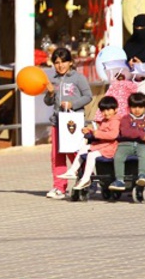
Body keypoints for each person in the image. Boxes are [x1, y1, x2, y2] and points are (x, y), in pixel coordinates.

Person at [43, 47, 92, 199]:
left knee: (75, 152)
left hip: (74, 121)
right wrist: (50, 93)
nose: (60, 65)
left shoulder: (78, 78)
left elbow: (88, 96)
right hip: (57, 122)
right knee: (57, 155)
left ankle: (85, 178)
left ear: (70, 62)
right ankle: (59, 187)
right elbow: (47, 102)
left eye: (64, 61)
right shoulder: (54, 80)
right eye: (57, 62)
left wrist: (73, 104)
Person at [57, 96, 120, 190]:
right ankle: (73, 170)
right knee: (83, 148)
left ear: (115, 110)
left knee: (91, 155)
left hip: (110, 148)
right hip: (102, 145)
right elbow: (99, 132)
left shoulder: (115, 121)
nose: (106, 113)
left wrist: (96, 133)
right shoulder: (105, 121)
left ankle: (86, 179)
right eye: (103, 111)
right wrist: (90, 131)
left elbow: (113, 135)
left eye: (108, 110)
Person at [108, 92, 145, 191]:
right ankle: (119, 180)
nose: (137, 110)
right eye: (134, 107)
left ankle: (142, 175)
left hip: (141, 145)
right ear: (129, 107)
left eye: (140, 107)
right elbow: (126, 131)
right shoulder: (126, 119)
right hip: (125, 144)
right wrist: (141, 134)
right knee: (118, 156)